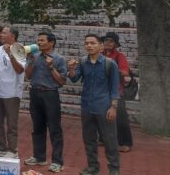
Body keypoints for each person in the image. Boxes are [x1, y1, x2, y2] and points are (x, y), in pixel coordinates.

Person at [69, 34, 121, 175]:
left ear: (100, 46)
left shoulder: (110, 64)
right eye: (86, 43)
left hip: (104, 107)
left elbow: (115, 88)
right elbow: (74, 79)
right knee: (89, 140)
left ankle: (114, 170)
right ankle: (93, 167)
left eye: (93, 43)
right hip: (87, 107)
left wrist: (113, 107)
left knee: (110, 140)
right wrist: (71, 69)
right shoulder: (83, 62)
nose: (89, 46)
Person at [25, 31, 68, 172]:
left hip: (50, 94)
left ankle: (57, 161)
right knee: (37, 127)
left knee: (55, 129)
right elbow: (28, 76)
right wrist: (30, 61)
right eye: (38, 40)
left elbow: (61, 81)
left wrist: (51, 67)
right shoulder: (35, 56)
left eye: (42, 40)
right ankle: (39, 157)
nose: (39, 42)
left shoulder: (59, 58)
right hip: (35, 92)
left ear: (51, 42)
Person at [0, 26, 26, 158]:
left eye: (4, 33)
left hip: (11, 92)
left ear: (12, 36)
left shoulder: (19, 49)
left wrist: (11, 54)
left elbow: (19, 70)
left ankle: (12, 150)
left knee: (11, 123)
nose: (1, 35)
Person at [102, 31, 132, 153]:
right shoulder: (99, 54)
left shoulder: (119, 56)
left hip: (116, 91)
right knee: (102, 116)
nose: (108, 43)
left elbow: (125, 72)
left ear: (115, 44)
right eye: (106, 41)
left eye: (111, 41)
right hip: (101, 91)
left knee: (120, 118)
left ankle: (125, 142)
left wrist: (112, 68)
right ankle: (103, 139)